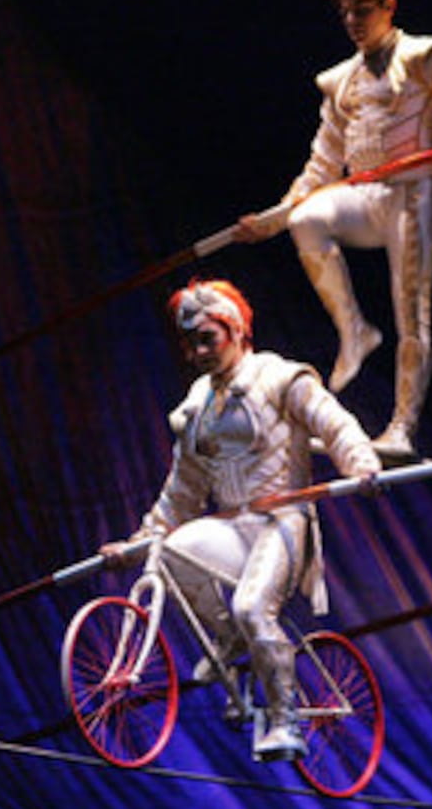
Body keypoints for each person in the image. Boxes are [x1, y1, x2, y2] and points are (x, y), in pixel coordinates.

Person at [235, 0, 432, 458]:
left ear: (389, 7)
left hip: (413, 194)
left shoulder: (424, 55)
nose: (352, 22)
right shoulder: (341, 81)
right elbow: (322, 164)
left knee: (412, 310)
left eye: (361, 10)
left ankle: (402, 426)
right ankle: (355, 330)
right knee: (306, 218)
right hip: (365, 195)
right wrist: (272, 220)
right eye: (345, 13)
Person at [99, 279, 381, 762]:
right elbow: (182, 490)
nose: (197, 353)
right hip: (233, 526)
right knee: (171, 553)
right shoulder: (197, 406)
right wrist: (141, 541)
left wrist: (361, 463)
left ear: (236, 331)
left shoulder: (278, 377)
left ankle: (285, 719)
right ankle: (230, 640)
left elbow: (332, 422)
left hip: (282, 521)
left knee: (254, 608)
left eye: (207, 339)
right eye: (190, 343)